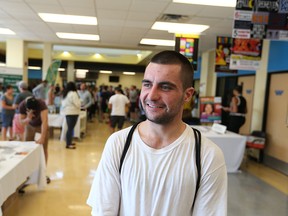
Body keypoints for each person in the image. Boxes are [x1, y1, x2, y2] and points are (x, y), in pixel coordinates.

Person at [87, 50, 227, 215]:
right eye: (147, 84)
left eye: (165, 87)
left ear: (187, 95)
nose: (151, 95)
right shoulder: (119, 144)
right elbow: (104, 211)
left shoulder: (207, 155)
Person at [61, 82, 81, 149]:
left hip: (67, 112)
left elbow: (63, 104)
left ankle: (69, 142)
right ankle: (68, 144)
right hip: (73, 113)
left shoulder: (65, 94)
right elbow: (77, 104)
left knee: (69, 128)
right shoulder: (74, 93)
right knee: (70, 128)